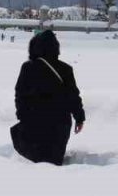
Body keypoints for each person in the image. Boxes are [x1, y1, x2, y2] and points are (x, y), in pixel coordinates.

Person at [12, 29, 85, 165]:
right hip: (59, 125)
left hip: (34, 123)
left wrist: (22, 115)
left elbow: (19, 95)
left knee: (36, 161)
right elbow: (73, 97)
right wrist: (79, 118)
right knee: (53, 161)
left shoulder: (28, 68)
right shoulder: (65, 69)